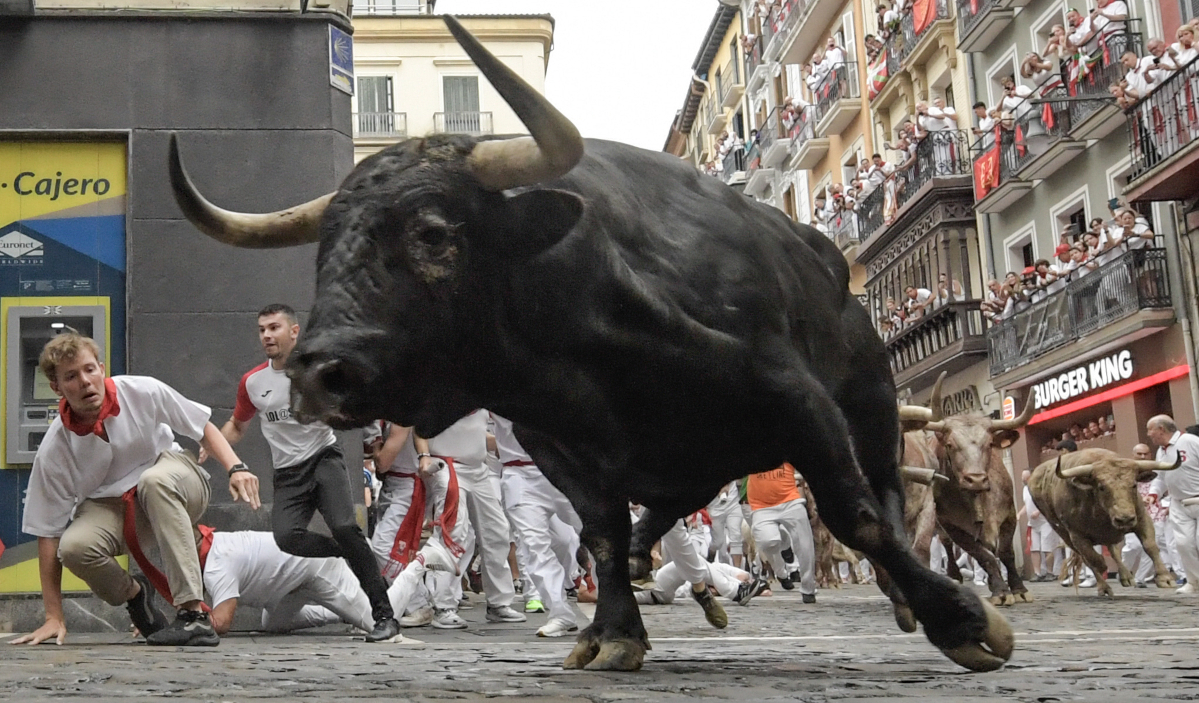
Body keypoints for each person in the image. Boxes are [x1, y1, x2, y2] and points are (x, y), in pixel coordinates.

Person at [12, 332, 259, 647]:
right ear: (57, 387)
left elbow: (201, 426)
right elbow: (48, 531)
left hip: (174, 480)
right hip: (112, 506)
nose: (85, 381)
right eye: (71, 376)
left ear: (102, 369)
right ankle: (135, 593)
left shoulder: (142, 390)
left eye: (90, 370)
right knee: (74, 547)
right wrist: (53, 616)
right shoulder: (55, 447)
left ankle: (192, 614)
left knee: (154, 482)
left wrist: (236, 468)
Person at [215, 304, 396, 641]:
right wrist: (212, 445)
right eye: (262, 330)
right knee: (287, 538)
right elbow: (237, 427)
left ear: (294, 332)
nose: (267, 335)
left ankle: (384, 615)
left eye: (274, 328)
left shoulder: (319, 370)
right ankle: (349, 551)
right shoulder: (253, 382)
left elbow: (350, 404)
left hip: (323, 459)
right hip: (288, 474)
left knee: (345, 526)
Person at [490, 412, 581, 637]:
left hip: (563, 468)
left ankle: (611, 606)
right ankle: (560, 613)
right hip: (519, 474)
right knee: (533, 545)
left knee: (597, 534)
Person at [205, 531, 375, 635]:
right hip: (288, 585)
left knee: (377, 624)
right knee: (273, 624)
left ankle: (395, 581)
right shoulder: (216, 545)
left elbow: (222, 622)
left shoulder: (217, 565)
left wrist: (194, 620)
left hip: (318, 564)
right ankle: (341, 614)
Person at [747, 463, 817, 602]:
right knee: (768, 544)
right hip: (761, 506)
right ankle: (784, 543)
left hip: (790, 500)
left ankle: (808, 589)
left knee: (804, 544)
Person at [1146, 415, 1199, 594]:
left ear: (1161, 429)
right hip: (1178, 502)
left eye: (1150, 429)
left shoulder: (1190, 441)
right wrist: (1153, 494)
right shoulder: (1161, 452)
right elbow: (1160, 478)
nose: (1149, 434)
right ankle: (1194, 581)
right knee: (1183, 544)